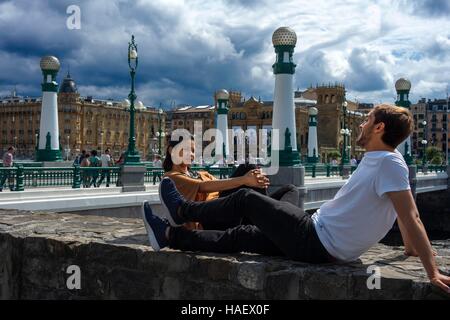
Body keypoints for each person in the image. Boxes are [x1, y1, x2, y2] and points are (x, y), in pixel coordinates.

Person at [142, 104, 450, 293]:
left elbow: (411, 216)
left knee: (247, 198)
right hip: (321, 241)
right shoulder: (382, 160)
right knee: (244, 236)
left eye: (367, 119)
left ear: (379, 127)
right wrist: (409, 248)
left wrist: (431, 271)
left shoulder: (389, 162)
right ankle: (170, 234)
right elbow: (398, 212)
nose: (360, 123)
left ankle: (183, 210)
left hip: (315, 237)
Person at [162, 136, 299, 230]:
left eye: (192, 150)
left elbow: (223, 185)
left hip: (232, 210)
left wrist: (245, 180)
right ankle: (274, 220)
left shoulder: (202, 173)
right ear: (171, 150)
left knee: (290, 189)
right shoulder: (172, 177)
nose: (191, 154)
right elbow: (204, 187)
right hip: (211, 218)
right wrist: (244, 179)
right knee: (247, 167)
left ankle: (274, 218)